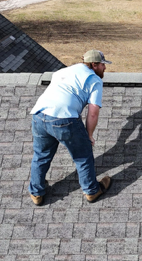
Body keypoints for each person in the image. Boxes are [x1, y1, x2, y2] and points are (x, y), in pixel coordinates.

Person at [28, 50, 112, 205]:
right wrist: (89, 135)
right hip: (64, 119)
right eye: (102, 65)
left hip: (39, 115)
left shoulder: (62, 71)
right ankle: (92, 191)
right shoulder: (94, 80)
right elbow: (93, 113)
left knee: (41, 155)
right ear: (94, 65)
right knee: (83, 155)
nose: (104, 68)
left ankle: (36, 193)